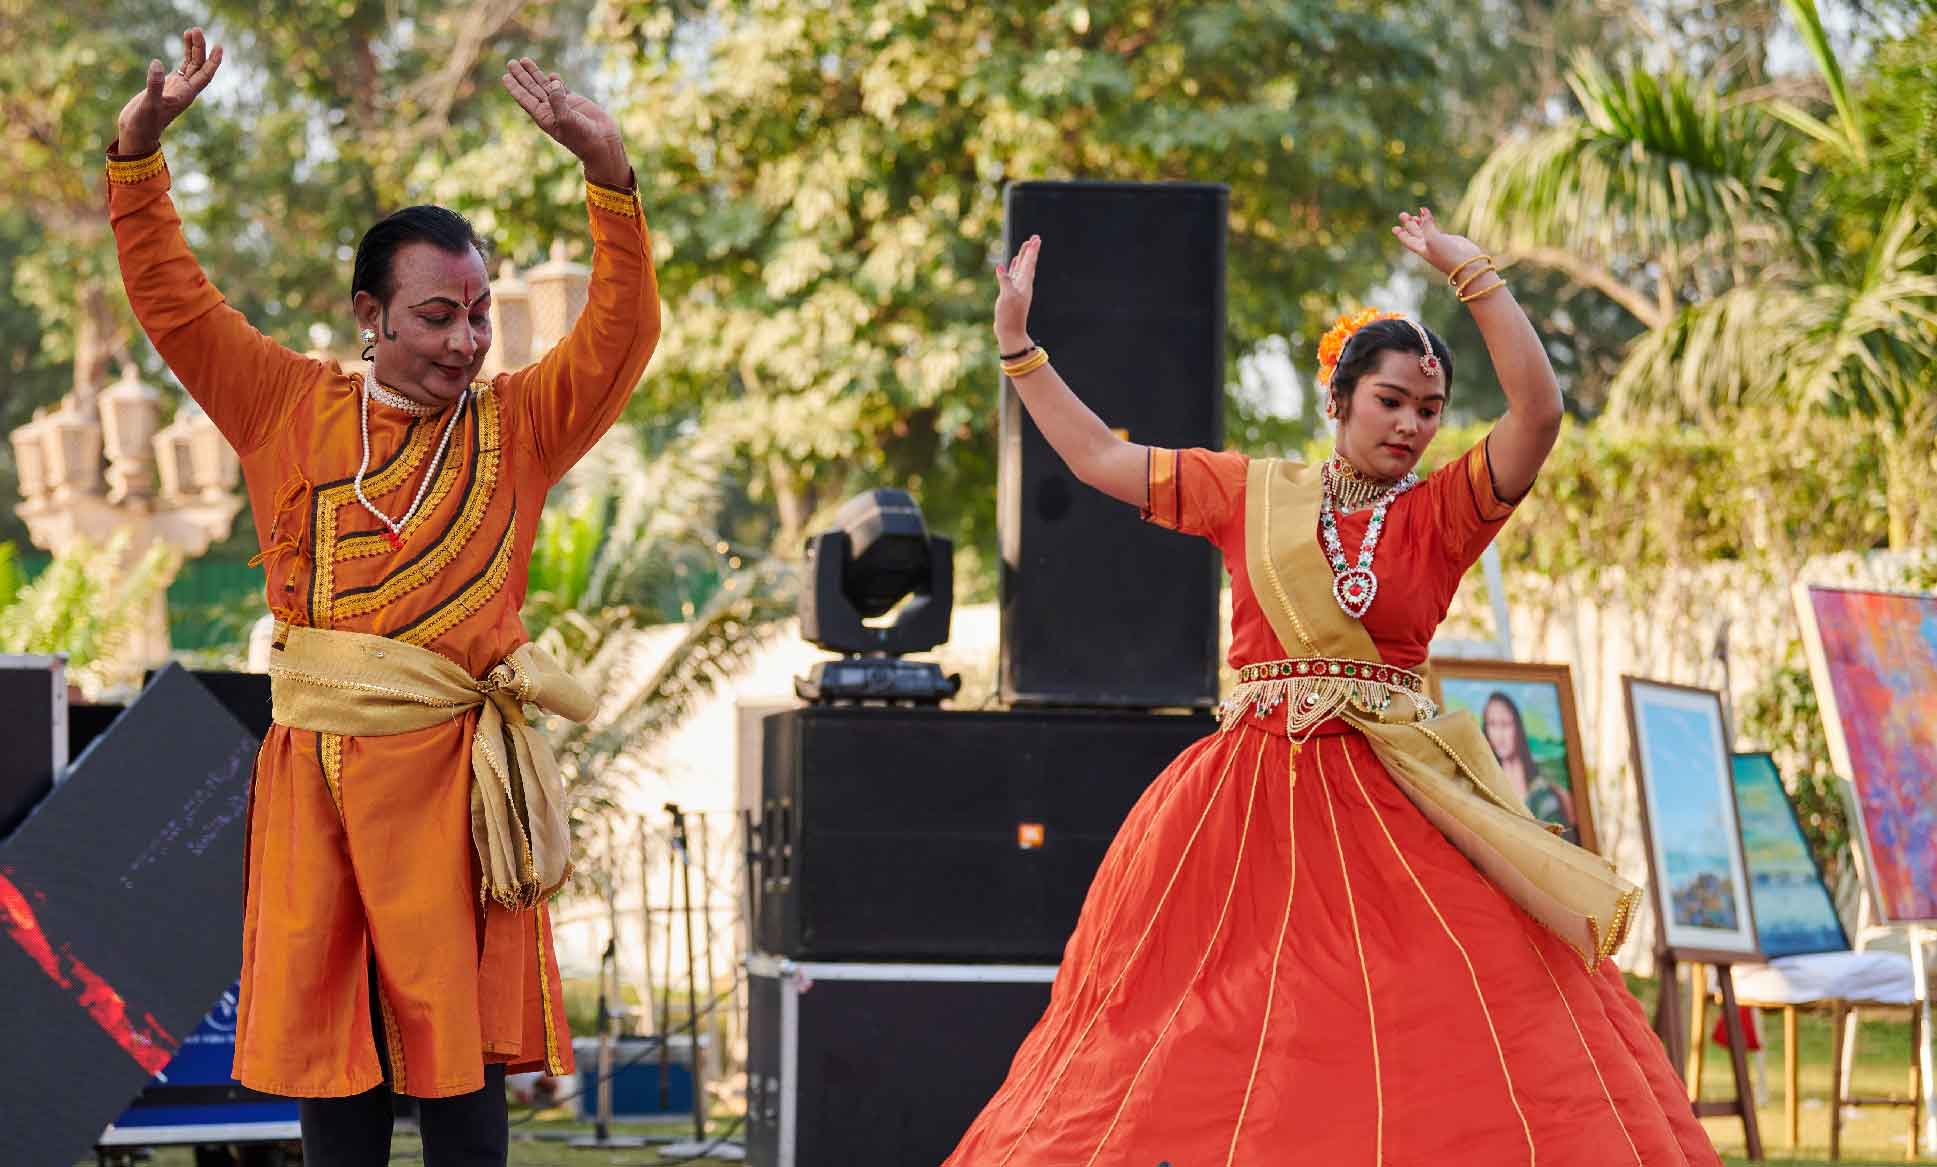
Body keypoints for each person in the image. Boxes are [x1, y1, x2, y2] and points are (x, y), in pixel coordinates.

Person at [947, 210, 1718, 1164]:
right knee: (1201, 1025)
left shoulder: (1445, 512)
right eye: (1390, 401)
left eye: (1427, 411)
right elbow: (1100, 458)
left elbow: (1539, 414)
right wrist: (1018, 347)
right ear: (1339, 401)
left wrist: (1472, 273)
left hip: (1397, 798)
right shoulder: (1249, 492)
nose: (1409, 425)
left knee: (1451, 1009)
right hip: (1246, 804)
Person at [108, 28, 660, 1167]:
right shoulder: (283, 406)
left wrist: (611, 182)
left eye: (478, 314)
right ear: (369, 315)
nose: (464, 341)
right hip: (317, 783)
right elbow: (172, 301)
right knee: (337, 1067)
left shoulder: (520, 425)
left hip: (458, 794)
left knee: (461, 1082)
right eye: (435, 316)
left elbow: (618, 339)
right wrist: (136, 158)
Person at [1483, 689, 1579, 843]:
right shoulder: (1484, 793)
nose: (1499, 734)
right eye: (1492, 724)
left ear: (1518, 728)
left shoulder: (1543, 794)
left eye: (1505, 724)